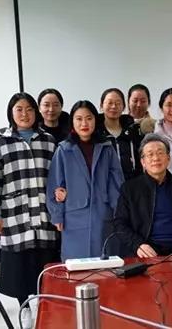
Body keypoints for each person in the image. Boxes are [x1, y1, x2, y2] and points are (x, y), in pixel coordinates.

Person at [0, 92, 59, 328]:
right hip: (15, 214)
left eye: (29, 109)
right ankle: (25, 307)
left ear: (35, 112)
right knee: (19, 266)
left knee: (44, 262)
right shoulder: (2, 142)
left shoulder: (48, 140)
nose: (24, 114)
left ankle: (42, 306)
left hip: (44, 212)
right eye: (19, 109)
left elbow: (58, 175)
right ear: (11, 113)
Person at [47, 100, 124, 260]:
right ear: (72, 122)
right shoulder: (63, 150)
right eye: (79, 119)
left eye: (89, 118)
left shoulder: (106, 148)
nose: (84, 123)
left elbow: (116, 183)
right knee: (76, 264)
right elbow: (55, 185)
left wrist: (118, 213)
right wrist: (57, 214)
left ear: (96, 120)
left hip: (103, 214)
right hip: (73, 217)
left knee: (105, 263)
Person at [114, 133, 172, 257]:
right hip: (147, 252)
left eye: (160, 153)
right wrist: (138, 245)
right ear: (143, 162)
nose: (156, 158)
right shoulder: (129, 189)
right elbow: (120, 224)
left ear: (168, 158)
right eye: (150, 154)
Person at [96, 88, 144, 180]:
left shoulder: (133, 132)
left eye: (118, 103)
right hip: (106, 185)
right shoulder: (96, 134)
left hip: (132, 185)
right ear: (101, 106)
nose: (114, 106)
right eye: (110, 103)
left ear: (124, 107)